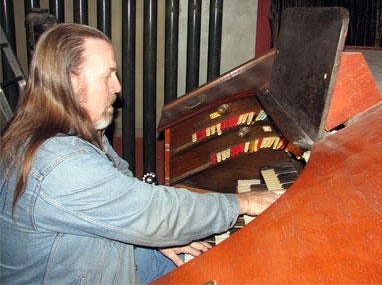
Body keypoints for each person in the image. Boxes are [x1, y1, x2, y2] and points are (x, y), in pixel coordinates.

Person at [0, 23, 284, 284]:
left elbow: (122, 181)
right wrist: (243, 202)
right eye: (108, 75)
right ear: (73, 83)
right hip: (95, 272)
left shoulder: (71, 126)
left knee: (224, 262)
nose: (117, 87)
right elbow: (153, 212)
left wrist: (156, 237)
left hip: (110, 255)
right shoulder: (59, 162)